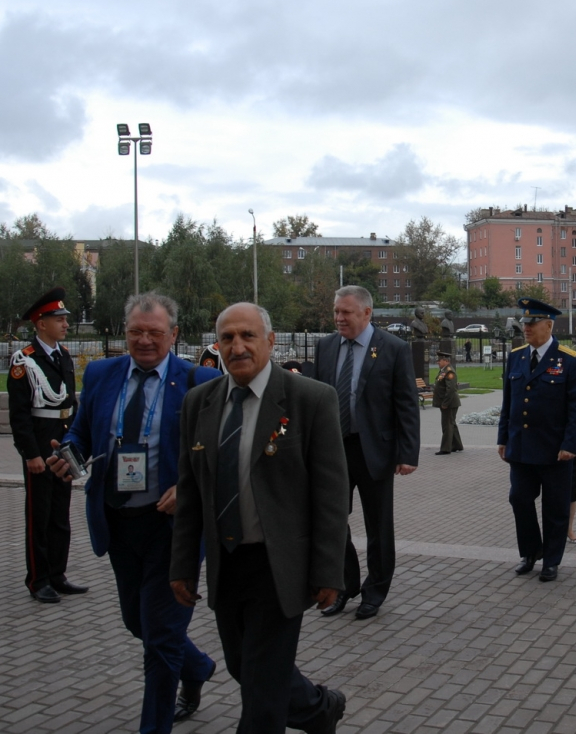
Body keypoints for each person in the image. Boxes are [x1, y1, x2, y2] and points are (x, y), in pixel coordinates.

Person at [170, 303, 349, 734]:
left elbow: (331, 495)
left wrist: (329, 570)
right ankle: (318, 709)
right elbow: (190, 492)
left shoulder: (310, 399)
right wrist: (182, 565)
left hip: (279, 565)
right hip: (227, 562)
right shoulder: (199, 403)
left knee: (263, 688)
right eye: (228, 338)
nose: (238, 347)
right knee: (243, 666)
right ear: (217, 346)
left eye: (248, 336)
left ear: (270, 341)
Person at [47, 292, 221, 732]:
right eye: (136, 332)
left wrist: (189, 487)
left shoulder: (199, 380)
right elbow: (81, 432)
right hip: (118, 522)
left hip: (173, 529)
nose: (145, 340)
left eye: (155, 333)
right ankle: (198, 667)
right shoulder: (102, 374)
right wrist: (69, 452)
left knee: (160, 636)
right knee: (137, 622)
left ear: (174, 335)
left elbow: (221, 451)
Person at [314, 285, 419, 620]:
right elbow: (317, 401)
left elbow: (406, 404)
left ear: (367, 313)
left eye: (346, 312)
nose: (339, 318)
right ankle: (344, 585)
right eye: (336, 311)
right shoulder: (325, 346)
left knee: (378, 527)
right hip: (334, 450)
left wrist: (408, 453)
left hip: (375, 450)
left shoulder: (393, 348)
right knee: (332, 522)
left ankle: (375, 591)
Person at [497, 297, 576, 582]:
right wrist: (503, 438)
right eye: (524, 322)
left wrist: (570, 444)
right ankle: (530, 552)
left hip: (554, 449)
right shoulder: (517, 356)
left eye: (532, 323)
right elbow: (509, 402)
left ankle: (551, 560)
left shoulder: (569, 359)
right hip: (521, 447)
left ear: (548, 325)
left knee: (555, 507)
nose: (526, 327)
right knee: (519, 499)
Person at [7, 287, 82, 603]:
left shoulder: (63, 355)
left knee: (60, 513)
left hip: (61, 444)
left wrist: (75, 444)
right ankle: (38, 580)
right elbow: (19, 415)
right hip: (39, 445)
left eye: (65, 318)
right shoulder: (24, 361)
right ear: (41, 323)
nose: (66, 324)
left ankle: (57, 574)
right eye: (59, 319)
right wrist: (31, 454)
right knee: (40, 515)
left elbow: (70, 403)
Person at [432, 349, 463, 455]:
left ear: (446, 361)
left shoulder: (449, 371)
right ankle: (457, 445)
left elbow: (450, 389)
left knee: (447, 425)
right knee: (451, 423)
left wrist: (445, 403)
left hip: (449, 403)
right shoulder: (444, 370)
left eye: (439, 360)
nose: (438, 362)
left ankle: (445, 448)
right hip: (448, 402)